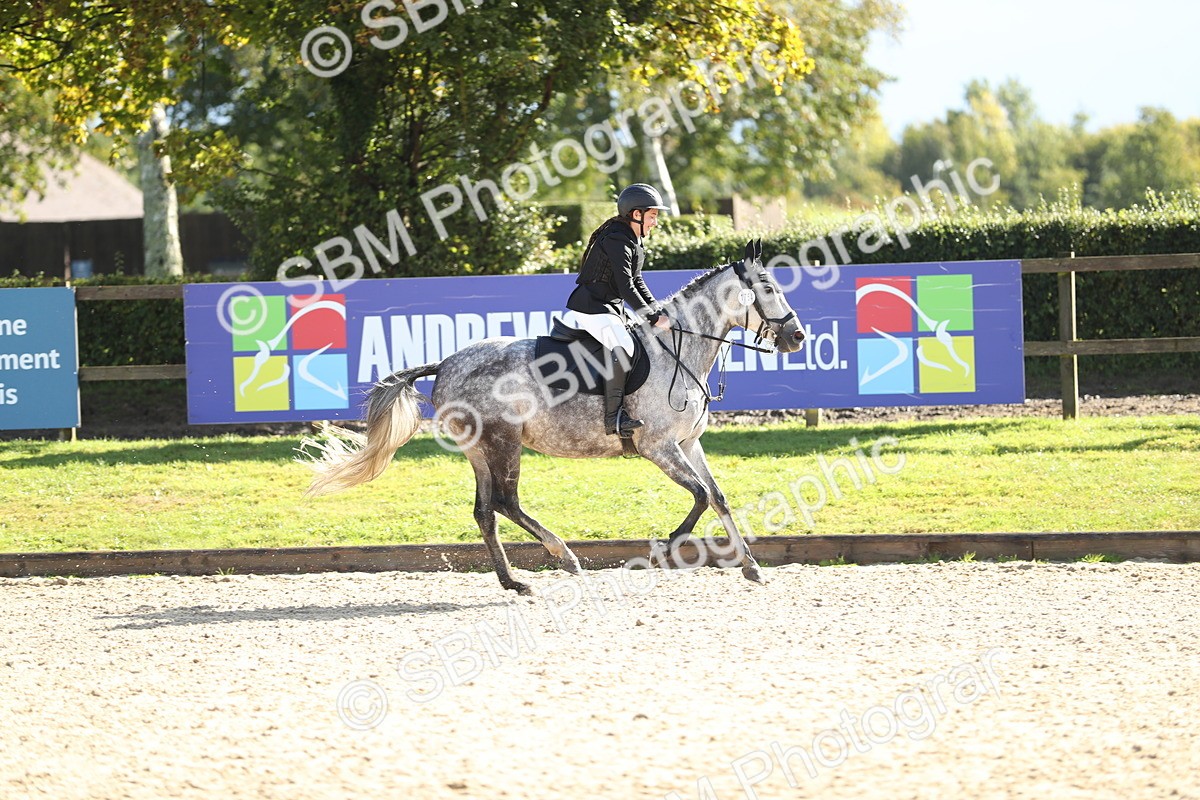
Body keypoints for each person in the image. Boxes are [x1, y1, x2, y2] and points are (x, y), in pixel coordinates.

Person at [566, 183, 673, 437]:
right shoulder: (617, 239)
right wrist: (651, 317)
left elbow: (638, 281)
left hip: (608, 307)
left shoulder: (631, 239)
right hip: (592, 307)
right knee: (624, 346)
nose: (655, 222)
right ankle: (613, 418)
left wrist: (657, 309)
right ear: (636, 214)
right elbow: (626, 287)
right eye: (653, 215)